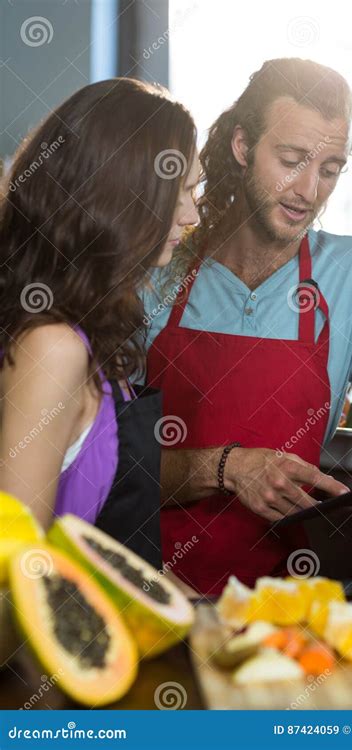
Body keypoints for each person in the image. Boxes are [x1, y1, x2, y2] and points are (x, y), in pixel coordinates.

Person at [142, 57, 352, 595]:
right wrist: (226, 467)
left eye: (331, 169)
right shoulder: (158, 266)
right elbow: (103, 468)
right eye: (291, 160)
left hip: (285, 599)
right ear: (243, 147)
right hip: (147, 590)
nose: (308, 190)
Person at [0, 78, 199, 569]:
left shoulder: (89, 332)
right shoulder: (53, 348)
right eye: (183, 190)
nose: (193, 213)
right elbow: (15, 573)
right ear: (124, 193)